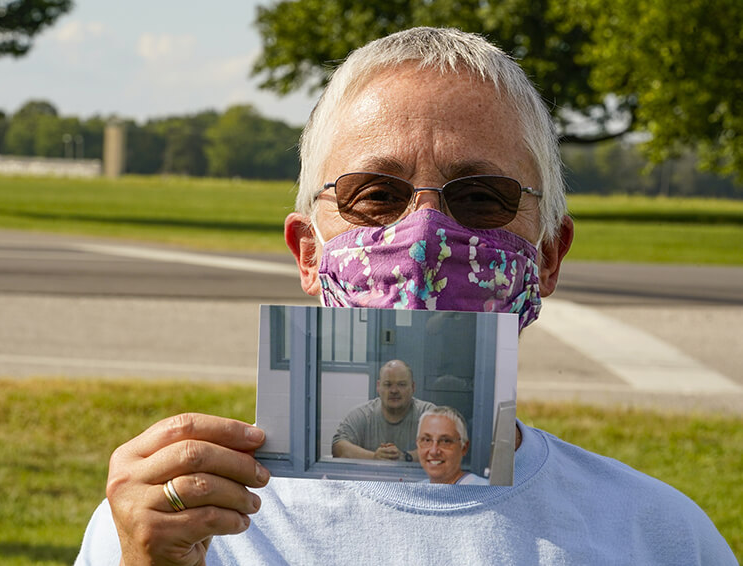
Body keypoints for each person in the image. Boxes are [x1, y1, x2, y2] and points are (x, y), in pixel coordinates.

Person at [76, 28, 735, 565]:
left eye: (480, 197)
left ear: (548, 255)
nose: (422, 241)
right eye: (375, 196)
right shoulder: (182, 525)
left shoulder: (660, 537)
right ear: (307, 252)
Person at [332, 359, 435, 461]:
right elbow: (338, 447)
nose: (394, 390)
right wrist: (374, 457)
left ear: (413, 387)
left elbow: (446, 449)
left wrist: (405, 457)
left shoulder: (428, 414)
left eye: (401, 384)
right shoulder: (362, 415)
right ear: (378, 387)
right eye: (388, 384)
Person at [416, 406, 487, 485]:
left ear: (464, 448)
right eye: (427, 440)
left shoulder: (486, 493)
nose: (434, 451)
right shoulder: (414, 492)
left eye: (445, 441)